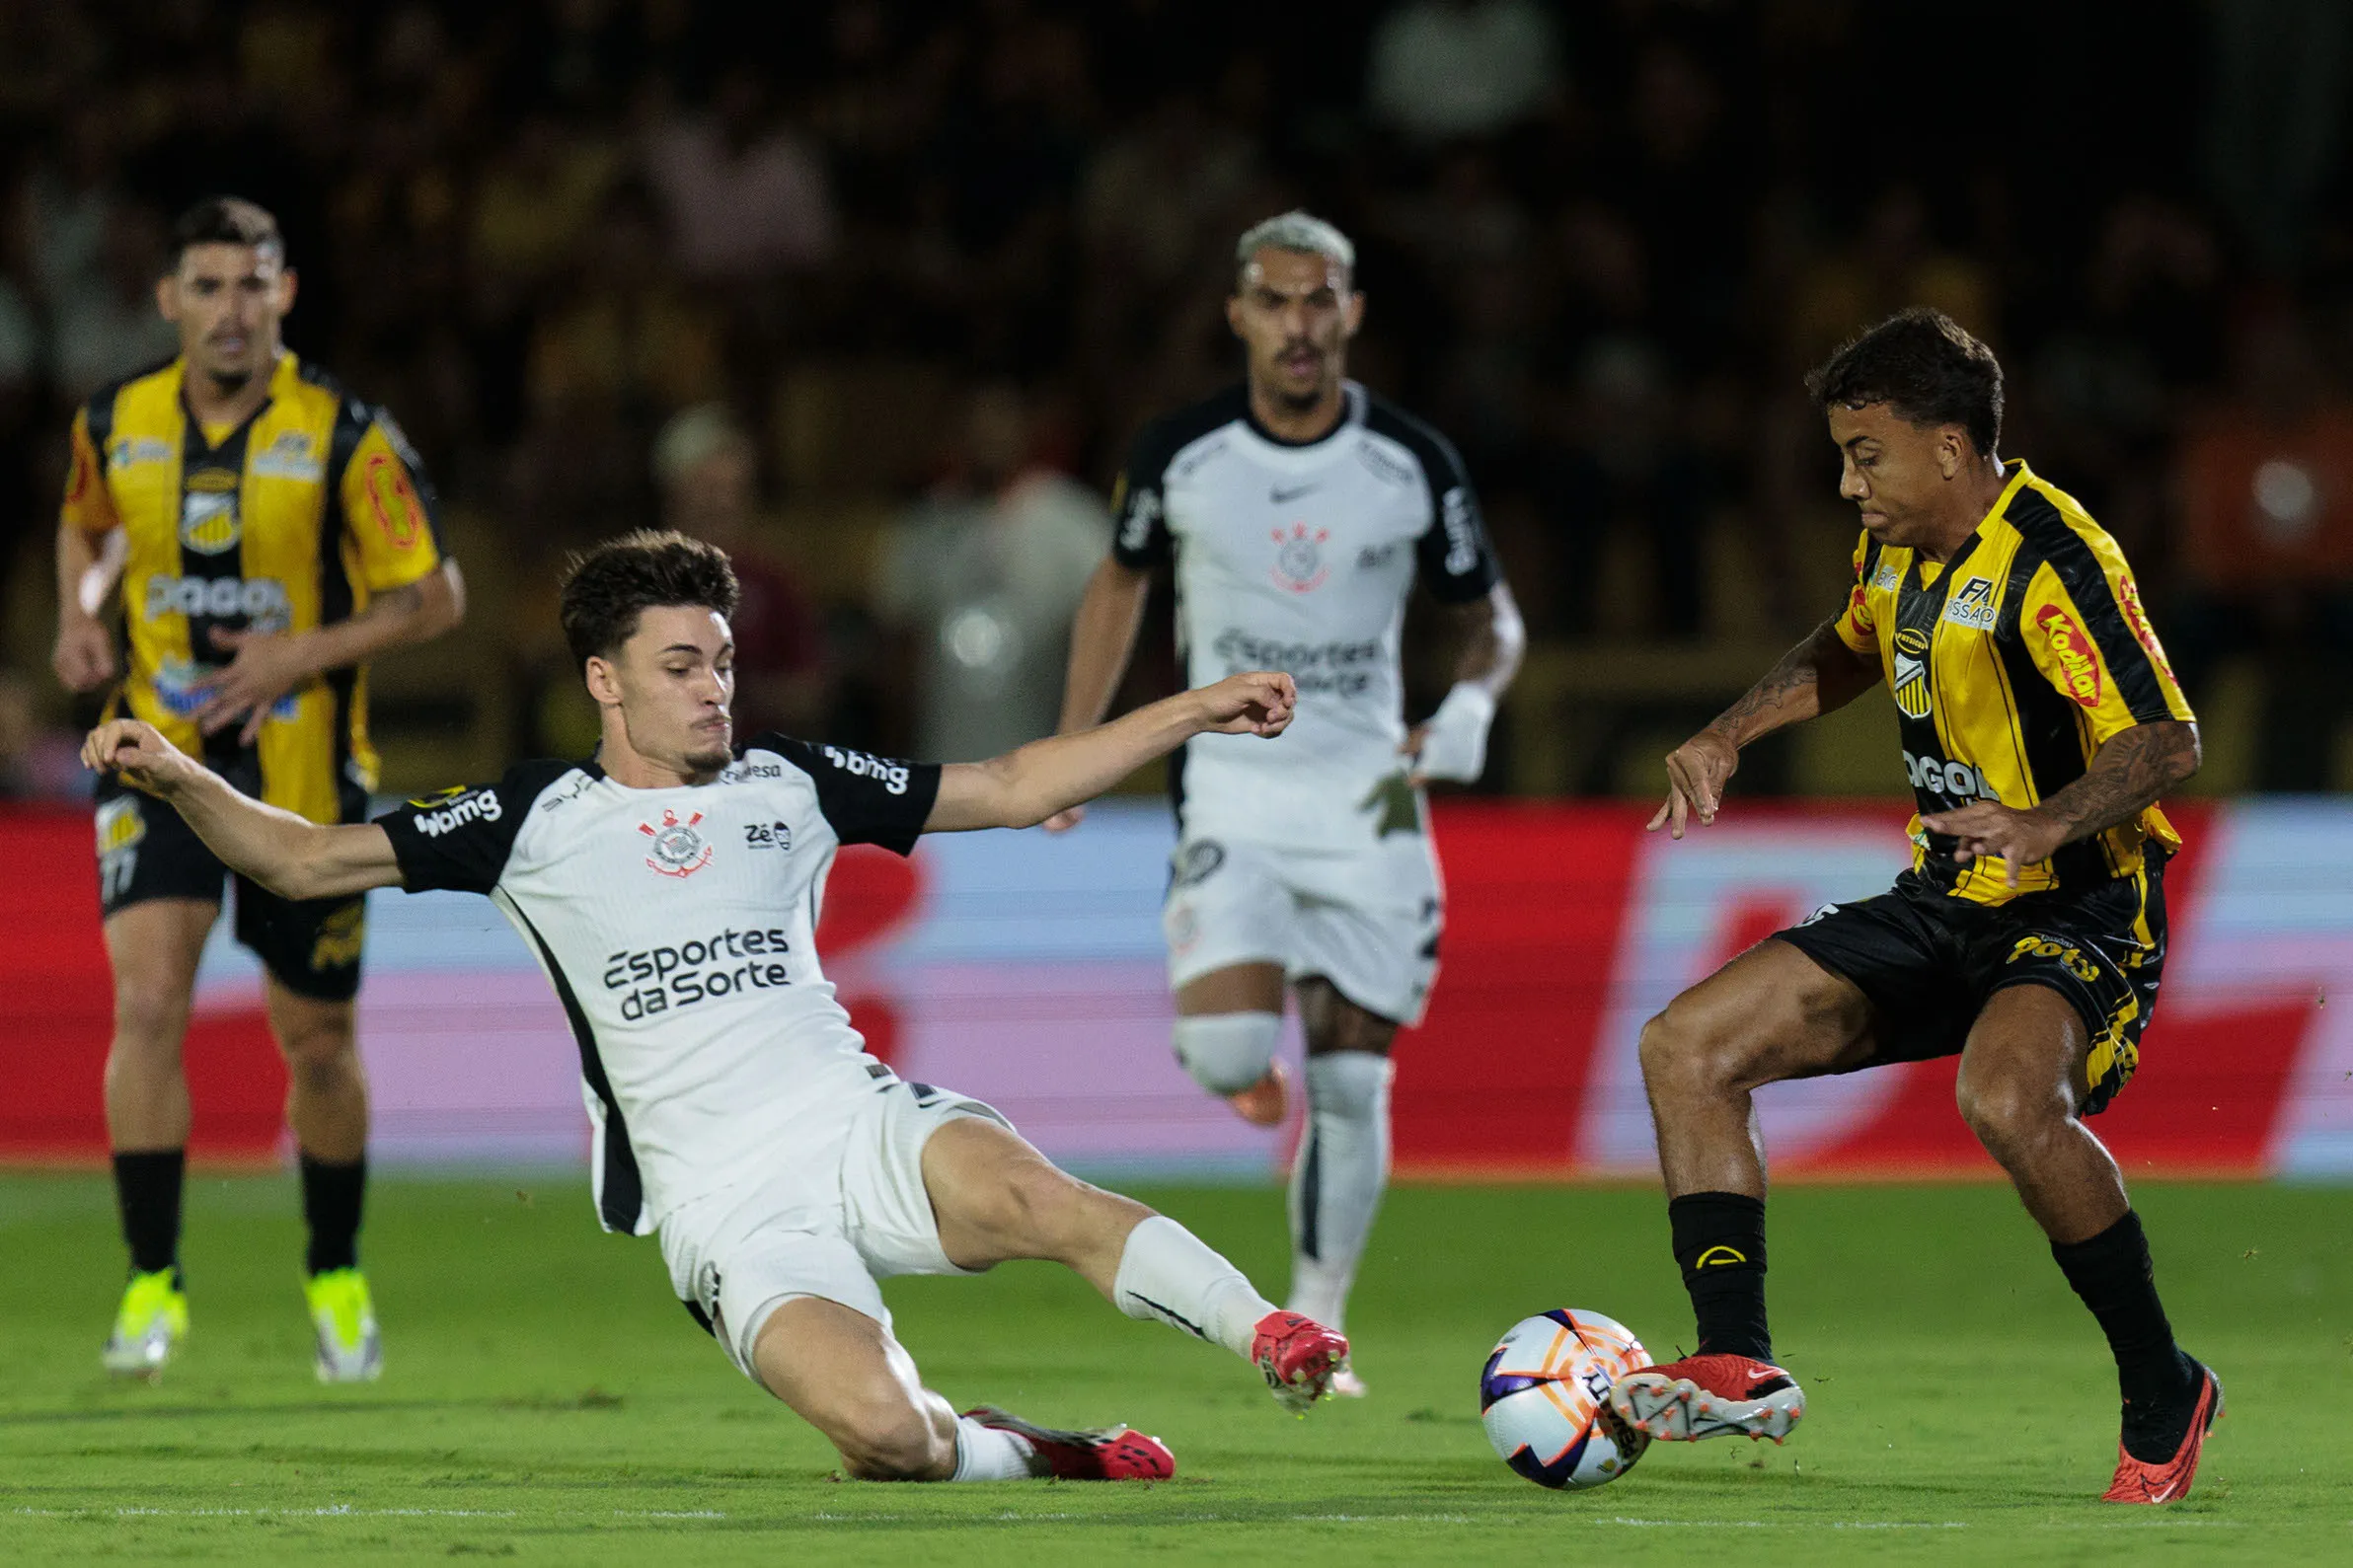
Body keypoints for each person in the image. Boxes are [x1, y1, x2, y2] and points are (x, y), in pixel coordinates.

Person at [80, 529, 1348, 1482]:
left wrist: (1193, 708)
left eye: (723, 662)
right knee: (888, 1437)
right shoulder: (529, 820)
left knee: (1042, 1197)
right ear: (604, 679)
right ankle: (1039, 1452)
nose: (713, 688)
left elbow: (1014, 783)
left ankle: (1275, 1334)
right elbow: (301, 860)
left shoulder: (790, 780)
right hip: (723, 1201)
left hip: (857, 1119)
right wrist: (180, 773)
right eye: (680, 664)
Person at [1616, 309, 2218, 1505]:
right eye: (1841, 455)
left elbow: (2166, 737)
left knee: (2001, 1096)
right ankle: (1739, 1354)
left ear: (1947, 449)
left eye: (1862, 454)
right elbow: (1846, 646)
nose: (1846, 482)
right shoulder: (1896, 551)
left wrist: (2045, 821)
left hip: (2079, 907)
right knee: (1684, 1044)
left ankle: (2163, 1381)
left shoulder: (2054, 554)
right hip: (1943, 897)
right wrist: (1727, 731)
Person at [1051, 211, 1525, 1393]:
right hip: (1233, 789)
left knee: (1356, 1071)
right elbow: (1119, 582)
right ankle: (1247, 1079)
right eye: (1275, 301)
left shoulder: (1410, 462)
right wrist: (1077, 745)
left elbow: (1492, 620)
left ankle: (1319, 1321)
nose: (1299, 325)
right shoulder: (1179, 454)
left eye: (1320, 302)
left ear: (1352, 311)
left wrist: (1465, 710)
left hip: (1366, 798)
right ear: (1238, 314)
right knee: (1220, 1049)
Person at [51, 196, 466, 1382]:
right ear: (166, 299)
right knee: (144, 1007)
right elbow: (83, 532)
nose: (230, 308)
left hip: (303, 780)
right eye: (208, 285)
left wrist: (301, 652)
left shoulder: (346, 432)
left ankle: (334, 1269)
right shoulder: (114, 421)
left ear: (284, 294)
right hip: (156, 759)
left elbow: (436, 596)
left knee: (319, 1044)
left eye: (253, 284)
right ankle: (150, 1283)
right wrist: (76, 623)